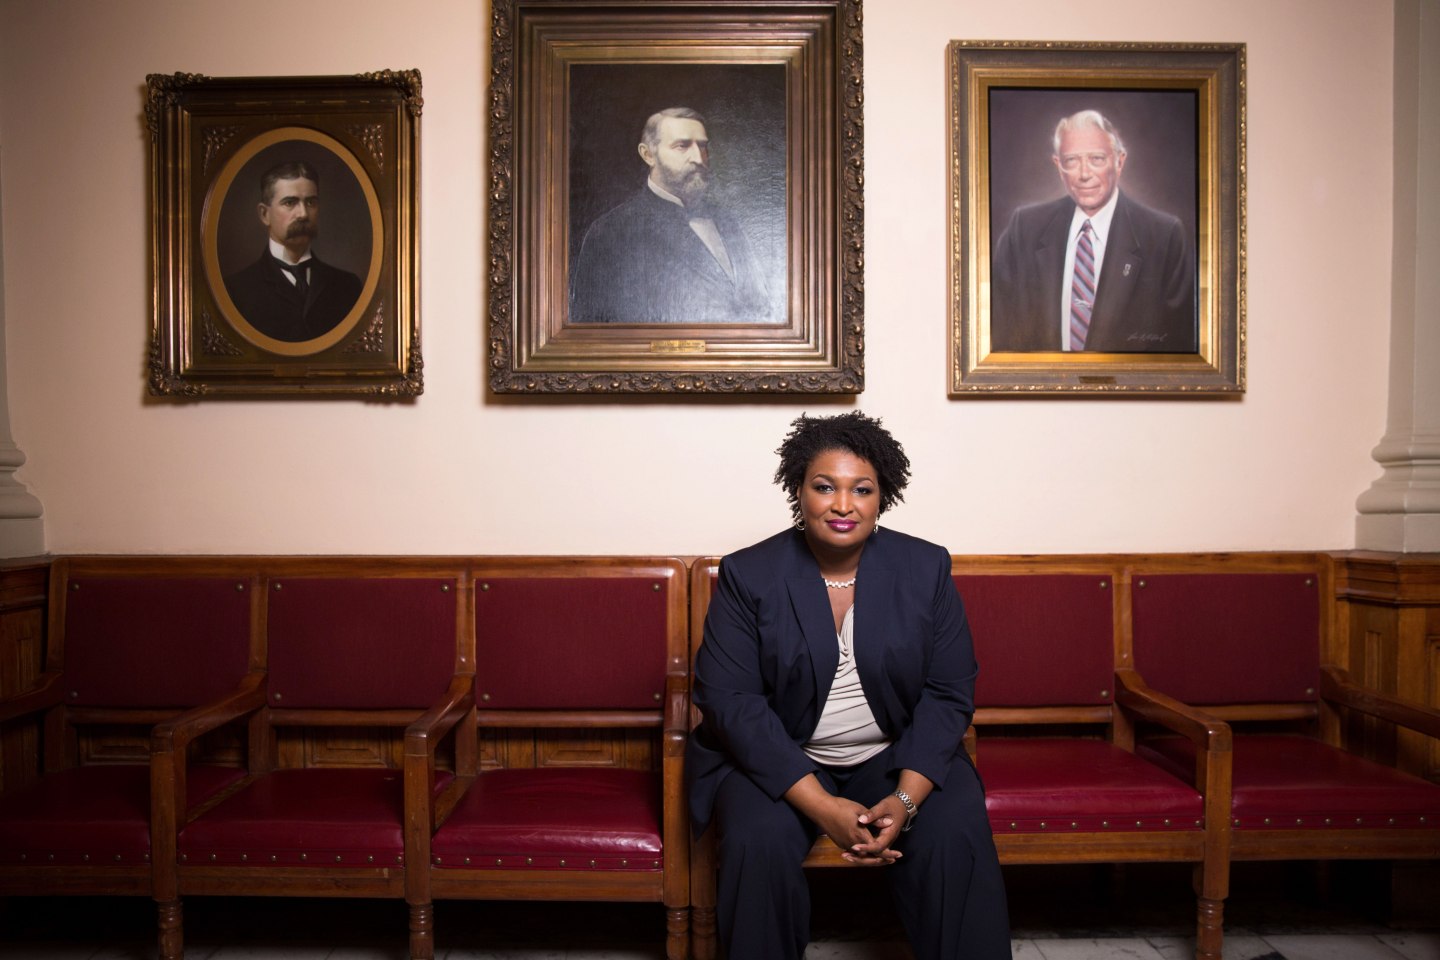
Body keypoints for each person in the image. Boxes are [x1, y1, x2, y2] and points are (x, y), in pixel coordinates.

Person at [687, 412, 1011, 960]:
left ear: (882, 496)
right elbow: (731, 702)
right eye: (824, 487)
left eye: (861, 489)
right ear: (798, 491)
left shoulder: (924, 567)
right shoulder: (750, 574)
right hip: (782, 760)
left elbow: (949, 691)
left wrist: (906, 798)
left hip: (894, 756)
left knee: (954, 830)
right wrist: (820, 805)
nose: (843, 505)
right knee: (756, 841)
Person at [990, 109, 1196, 353]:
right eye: (1072, 161)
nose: (1084, 174)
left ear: (1119, 162)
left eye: (1097, 159)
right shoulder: (1023, 229)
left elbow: (1178, 351)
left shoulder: (1164, 237)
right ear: (1058, 166)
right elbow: (999, 336)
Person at [568, 106, 777, 324]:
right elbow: (592, 328)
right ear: (648, 154)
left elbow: (761, 306)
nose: (698, 157)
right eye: (682, 146)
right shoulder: (610, 232)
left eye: (703, 146)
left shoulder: (728, 221)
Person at [223, 160, 364, 343]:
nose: (303, 214)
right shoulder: (235, 291)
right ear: (264, 214)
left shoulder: (347, 286)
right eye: (290, 203)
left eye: (311, 202)